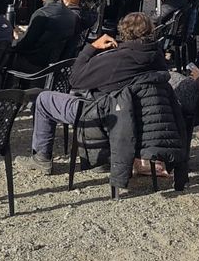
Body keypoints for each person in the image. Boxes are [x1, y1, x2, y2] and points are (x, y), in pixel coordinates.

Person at [25, 12, 165, 172]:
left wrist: (92, 47)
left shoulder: (117, 60)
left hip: (101, 114)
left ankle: (41, 157)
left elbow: (75, 80)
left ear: (123, 32)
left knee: (44, 98)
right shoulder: (157, 57)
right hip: (135, 116)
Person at [12, 0, 78, 72]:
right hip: (58, 63)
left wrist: (15, 39)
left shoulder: (41, 14)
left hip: (36, 63)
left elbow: (26, 44)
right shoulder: (71, 14)